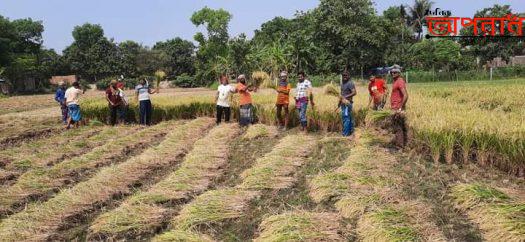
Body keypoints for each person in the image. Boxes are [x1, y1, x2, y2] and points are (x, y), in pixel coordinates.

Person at [389, 67, 409, 148]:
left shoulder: (400, 81)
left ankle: (399, 146)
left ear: (399, 73)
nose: (393, 74)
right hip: (395, 107)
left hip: (397, 108)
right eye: (392, 72)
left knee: (398, 127)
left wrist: (400, 108)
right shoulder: (395, 81)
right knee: (399, 126)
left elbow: (406, 95)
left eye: (395, 72)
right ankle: (401, 144)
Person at [339, 71, 356, 138]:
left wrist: (345, 97)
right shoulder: (342, 84)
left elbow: (354, 92)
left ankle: (345, 134)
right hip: (343, 103)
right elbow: (341, 95)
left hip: (347, 103)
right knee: (347, 118)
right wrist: (339, 102)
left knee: (346, 118)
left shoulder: (350, 83)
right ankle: (349, 132)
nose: (344, 77)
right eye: (343, 75)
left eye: (346, 75)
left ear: (349, 76)